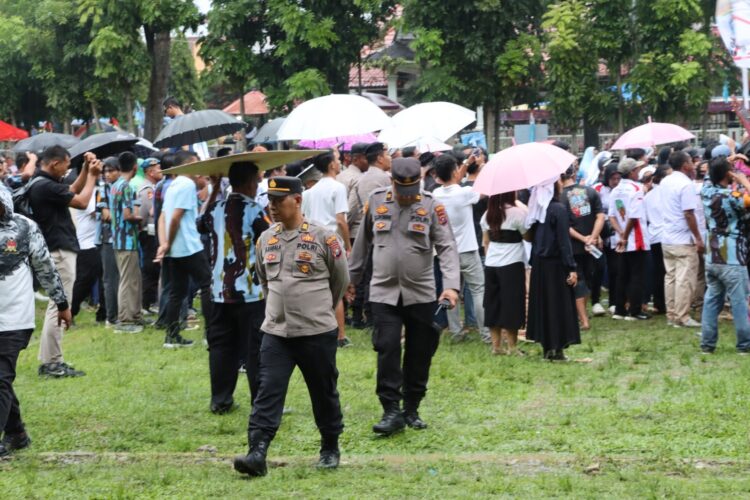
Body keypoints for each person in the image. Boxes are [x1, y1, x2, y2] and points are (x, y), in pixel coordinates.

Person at [233, 176, 349, 477]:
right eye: (269, 201)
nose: (271, 207)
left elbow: (340, 282)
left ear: (297, 200)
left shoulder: (325, 238)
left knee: (323, 391)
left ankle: (329, 446)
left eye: (278, 201)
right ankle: (257, 451)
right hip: (276, 333)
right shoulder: (266, 239)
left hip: (316, 332)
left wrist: (318, 309)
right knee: (267, 391)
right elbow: (264, 280)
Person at [348, 157, 460, 435]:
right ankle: (391, 410)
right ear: (393, 183)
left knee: (420, 351)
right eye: (403, 191)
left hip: (420, 292)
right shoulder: (375, 202)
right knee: (386, 347)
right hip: (383, 291)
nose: (408, 197)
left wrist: (451, 286)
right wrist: (350, 282)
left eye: (413, 191)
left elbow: (447, 247)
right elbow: (361, 247)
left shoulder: (432, 204)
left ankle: (411, 407)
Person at [0, 188, 72, 457]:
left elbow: (45, 266)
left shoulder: (24, 228)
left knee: (1, 378)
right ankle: (16, 433)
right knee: (1, 379)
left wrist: (62, 304)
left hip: (14, 318)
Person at [198, 158, 270, 414]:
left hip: (217, 291)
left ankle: (220, 400)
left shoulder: (216, 208)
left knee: (221, 347)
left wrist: (216, 189)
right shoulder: (254, 209)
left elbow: (200, 223)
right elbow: (270, 240)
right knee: (255, 350)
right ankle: (260, 403)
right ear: (251, 182)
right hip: (250, 292)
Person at [28, 146, 101, 377]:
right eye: (66, 165)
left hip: (53, 248)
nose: (68, 169)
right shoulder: (45, 185)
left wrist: (86, 171)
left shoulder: (41, 183)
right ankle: (52, 363)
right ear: (54, 164)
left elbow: (71, 190)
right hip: (58, 250)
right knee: (59, 306)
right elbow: (80, 201)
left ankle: (50, 359)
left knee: (57, 305)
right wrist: (93, 176)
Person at [155, 151, 211, 348]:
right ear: (188, 165)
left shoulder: (171, 185)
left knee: (176, 292)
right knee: (207, 284)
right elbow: (175, 218)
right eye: (196, 163)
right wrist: (168, 242)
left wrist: (163, 245)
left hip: (173, 249)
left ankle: (171, 336)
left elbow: (162, 217)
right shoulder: (187, 184)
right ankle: (210, 333)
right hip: (188, 246)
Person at [433, 154, 489, 343]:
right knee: (479, 290)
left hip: (446, 252)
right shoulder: (464, 193)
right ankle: (486, 333)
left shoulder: (435, 195)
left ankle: (456, 332)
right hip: (467, 250)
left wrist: (465, 163)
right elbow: (483, 192)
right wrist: (481, 169)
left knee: (451, 290)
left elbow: (453, 179)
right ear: (455, 171)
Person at [301, 150, 352, 347]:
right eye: (338, 160)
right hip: (332, 240)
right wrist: (348, 245)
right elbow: (341, 220)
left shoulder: (308, 192)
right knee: (336, 289)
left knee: (315, 286)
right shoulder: (337, 188)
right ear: (331, 165)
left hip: (312, 241)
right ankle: (340, 335)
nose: (339, 163)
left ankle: (314, 329)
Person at [525, 178, 580, 361]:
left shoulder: (536, 209)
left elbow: (530, 236)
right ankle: (557, 349)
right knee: (558, 306)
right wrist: (571, 267)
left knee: (543, 305)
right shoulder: (558, 209)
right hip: (556, 264)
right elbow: (564, 241)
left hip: (540, 264)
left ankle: (547, 348)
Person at [700, 157, 750, 354]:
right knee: (740, 301)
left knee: (712, 300)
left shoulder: (706, 192)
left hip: (712, 255)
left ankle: (707, 344)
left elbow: (707, 176)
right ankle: (745, 344)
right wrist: (743, 180)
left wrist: (727, 161)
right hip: (733, 257)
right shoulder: (733, 197)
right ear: (728, 174)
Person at [348, 142, 392, 329]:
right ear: (380, 158)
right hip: (384, 236)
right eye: (387, 154)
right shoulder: (386, 180)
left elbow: (350, 210)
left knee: (363, 275)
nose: (390, 158)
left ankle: (359, 316)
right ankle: (375, 316)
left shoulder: (361, 180)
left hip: (363, 233)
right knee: (377, 277)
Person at [660, 151, 704, 328]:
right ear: (685, 165)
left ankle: (672, 315)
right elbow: (689, 213)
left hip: (667, 237)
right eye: (691, 162)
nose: (694, 165)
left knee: (670, 277)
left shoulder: (665, 181)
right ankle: (682, 316)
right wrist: (698, 237)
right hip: (683, 238)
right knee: (684, 279)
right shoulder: (686, 184)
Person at [481, 192, 528, 355]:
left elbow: (485, 241)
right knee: (512, 304)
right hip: (512, 262)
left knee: (492, 304)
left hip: (491, 263)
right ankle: (512, 347)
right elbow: (528, 237)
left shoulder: (488, 214)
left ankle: (496, 347)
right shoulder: (517, 213)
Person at [560, 165, 605, 330]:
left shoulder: (560, 197)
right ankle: (582, 317)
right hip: (591, 246)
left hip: (573, 246)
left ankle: (583, 320)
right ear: (574, 173)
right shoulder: (590, 192)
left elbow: (564, 226)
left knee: (578, 281)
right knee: (586, 279)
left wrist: (584, 238)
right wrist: (593, 237)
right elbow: (600, 216)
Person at [608, 158, 651, 321]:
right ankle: (635, 309)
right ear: (632, 172)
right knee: (636, 275)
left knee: (622, 274)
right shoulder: (636, 188)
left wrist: (620, 233)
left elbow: (612, 216)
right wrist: (625, 236)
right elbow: (633, 216)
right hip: (635, 238)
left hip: (622, 238)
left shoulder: (616, 190)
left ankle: (620, 309)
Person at [110, 152, 143, 333]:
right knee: (128, 280)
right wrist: (140, 219)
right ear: (135, 167)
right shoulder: (127, 187)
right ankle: (125, 319)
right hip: (127, 239)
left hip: (118, 238)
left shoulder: (115, 185)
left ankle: (135, 314)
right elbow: (128, 215)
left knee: (132, 279)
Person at [70, 180, 103, 322]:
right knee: (84, 281)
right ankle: (70, 312)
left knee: (103, 279)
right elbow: (96, 213)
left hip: (96, 242)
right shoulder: (88, 193)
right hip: (87, 244)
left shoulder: (97, 190)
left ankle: (103, 314)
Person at [644, 165, 673, 315]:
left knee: (658, 272)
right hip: (667, 235)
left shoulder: (648, 196)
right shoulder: (669, 193)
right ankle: (668, 303)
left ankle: (658, 303)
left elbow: (647, 217)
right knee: (669, 272)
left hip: (654, 236)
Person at [138, 157, 163, 314]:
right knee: (150, 269)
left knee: (154, 269)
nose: (160, 170)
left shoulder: (155, 187)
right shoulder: (147, 190)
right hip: (149, 233)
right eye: (157, 167)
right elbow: (147, 213)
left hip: (155, 232)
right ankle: (146, 303)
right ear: (150, 171)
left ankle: (151, 301)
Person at [98, 158, 120, 327]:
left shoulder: (123, 187)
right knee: (110, 279)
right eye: (105, 171)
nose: (107, 174)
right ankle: (111, 317)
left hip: (123, 238)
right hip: (109, 238)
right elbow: (106, 215)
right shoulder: (103, 188)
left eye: (111, 170)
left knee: (122, 278)